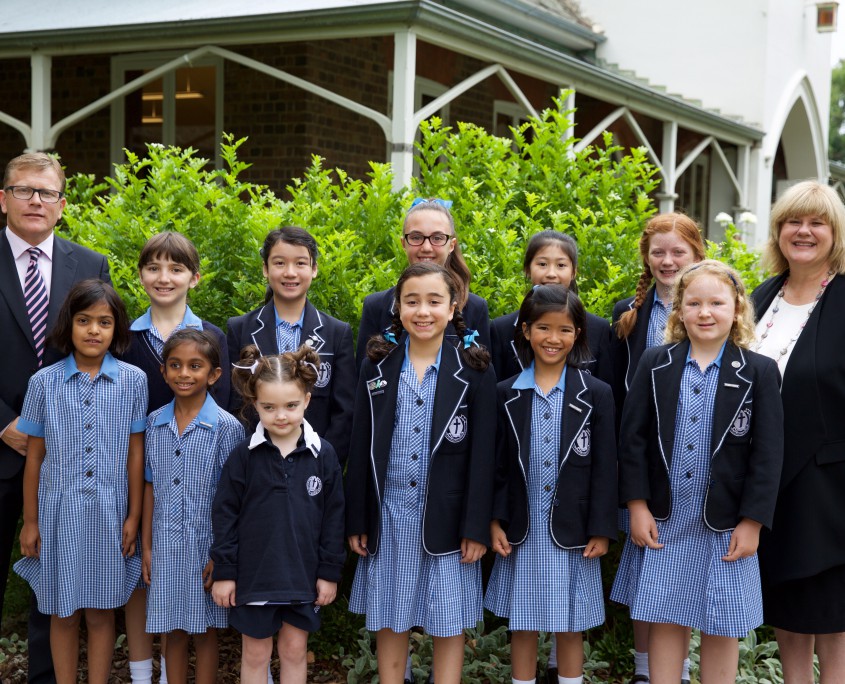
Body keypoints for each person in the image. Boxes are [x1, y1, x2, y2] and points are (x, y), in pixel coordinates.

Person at [615, 260, 783, 684]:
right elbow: (631, 441)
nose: (705, 312)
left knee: (721, 622)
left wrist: (753, 521)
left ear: (737, 309)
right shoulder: (656, 363)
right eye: (694, 303)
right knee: (666, 617)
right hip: (665, 519)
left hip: (726, 522)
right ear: (680, 311)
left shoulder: (758, 372)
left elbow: (767, 454)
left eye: (716, 303)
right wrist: (636, 506)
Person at [345, 262, 496, 684]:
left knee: (448, 622)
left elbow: (484, 457)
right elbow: (360, 449)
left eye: (434, 301)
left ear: (453, 308)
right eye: (412, 301)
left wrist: (476, 527)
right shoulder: (376, 368)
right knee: (392, 617)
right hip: (390, 515)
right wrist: (359, 518)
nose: (423, 311)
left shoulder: (475, 370)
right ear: (398, 307)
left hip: (448, 522)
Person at [0, 152, 111, 684]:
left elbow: (99, 349)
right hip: (1, 444)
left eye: (46, 193)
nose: (36, 201)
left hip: (68, 457)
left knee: (57, 581)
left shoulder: (89, 265)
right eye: (24, 190)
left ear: (62, 206)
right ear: (4, 199)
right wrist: (4, 422)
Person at [14, 279, 148, 684]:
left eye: (104, 322)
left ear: (116, 328)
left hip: (111, 516)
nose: (94, 330)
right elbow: (34, 458)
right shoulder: (44, 383)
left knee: (102, 613)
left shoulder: (133, 381)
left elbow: (136, 455)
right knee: (63, 612)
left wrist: (134, 517)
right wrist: (31, 521)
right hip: (59, 515)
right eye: (84, 320)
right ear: (68, 325)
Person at [485, 285, 617, 684]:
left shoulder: (596, 394)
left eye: (564, 330)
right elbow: (497, 468)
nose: (553, 339)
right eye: (543, 328)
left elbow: (605, 469)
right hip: (521, 529)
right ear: (525, 330)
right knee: (522, 624)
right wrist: (493, 521)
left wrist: (602, 528)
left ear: (578, 333)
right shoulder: (505, 394)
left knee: (570, 624)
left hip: (575, 531)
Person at [122, 231, 231, 684]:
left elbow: (219, 415)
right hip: (132, 466)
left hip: (194, 474)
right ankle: (143, 672)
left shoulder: (212, 336)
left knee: (192, 605)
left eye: (176, 268)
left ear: (194, 277)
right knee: (138, 576)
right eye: (153, 267)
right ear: (141, 275)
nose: (164, 277)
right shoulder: (124, 336)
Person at [751, 180, 845, 684]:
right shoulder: (760, 296)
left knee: (832, 623)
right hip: (771, 486)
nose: (803, 231)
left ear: (835, 233)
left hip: (829, 492)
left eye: (816, 222)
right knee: (787, 617)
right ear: (778, 231)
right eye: (793, 221)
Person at [608, 212, 705, 684]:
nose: (668, 261)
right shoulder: (628, 311)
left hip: (695, 456)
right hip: (644, 457)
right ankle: (647, 671)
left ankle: (679, 671)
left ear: (697, 254)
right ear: (647, 258)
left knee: (685, 565)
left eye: (678, 252)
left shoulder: (709, 306)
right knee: (647, 567)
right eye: (658, 252)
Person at [211, 344, 345, 684]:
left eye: (291, 406)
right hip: (255, 576)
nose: (280, 415)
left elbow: (334, 517)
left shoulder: (323, 455)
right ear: (255, 403)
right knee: (255, 654)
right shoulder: (244, 456)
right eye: (269, 407)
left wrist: (329, 572)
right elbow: (225, 514)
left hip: (303, 575)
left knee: (294, 650)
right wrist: (226, 572)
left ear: (307, 400)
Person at [142, 329, 244, 684]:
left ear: (214, 375)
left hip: (206, 547)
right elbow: (149, 488)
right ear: (164, 371)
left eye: (195, 366)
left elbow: (233, 498)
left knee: (205, 631)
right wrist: (148, 547)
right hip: (165, 546)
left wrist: (222, 554)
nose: (184, 373)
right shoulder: (154, 423)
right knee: (172, 630)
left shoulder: (227, 429)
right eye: (175, 365)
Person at [226, 225, 354, 463]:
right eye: (279, 263)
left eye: (301, 263)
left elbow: (344, 411)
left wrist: (323, 461)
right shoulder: (240, 328)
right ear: (265, 269)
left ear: (314, 269)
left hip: (315, 467)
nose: (290, 272)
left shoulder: (337, 332)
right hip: (255, 464)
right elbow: (233, 406)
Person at [355, 198, 491, 371]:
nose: (426, 247)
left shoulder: (475, 308)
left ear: (451, 245)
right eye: (416, 237)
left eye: (437, 238)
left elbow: (482, 379)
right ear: (403, 243)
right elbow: (364, 380)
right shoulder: (376, 307)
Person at [489, 230, 612, 386]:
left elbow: (606, 392)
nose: (551, 273)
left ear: (574, 272)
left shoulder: (598, 328)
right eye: (542, 264)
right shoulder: (501, 329)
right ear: (527, 269)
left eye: (561, 265)